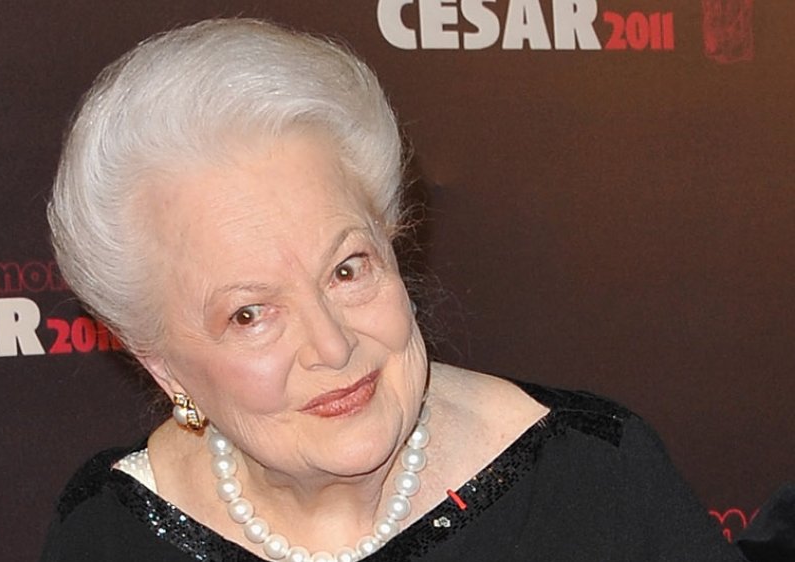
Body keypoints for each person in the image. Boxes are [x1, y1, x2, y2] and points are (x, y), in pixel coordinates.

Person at [40, 18, 743, 562]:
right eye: (250, 314)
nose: (333, 344)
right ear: (160, 361)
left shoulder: (594, 482)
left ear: (393, 244)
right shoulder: (109, 534)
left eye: (347, 270)